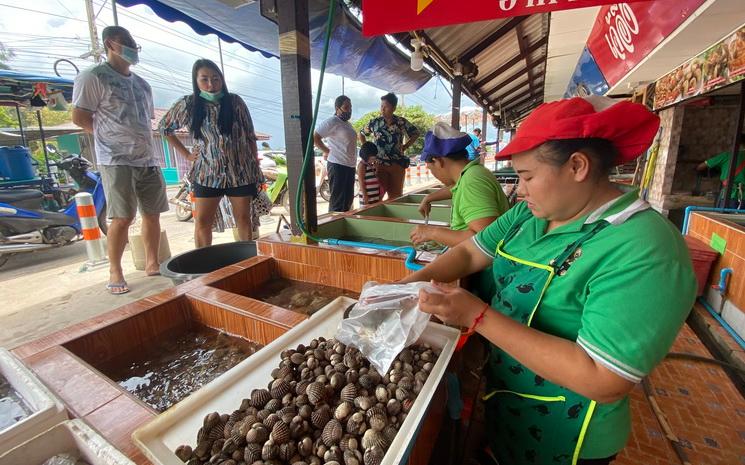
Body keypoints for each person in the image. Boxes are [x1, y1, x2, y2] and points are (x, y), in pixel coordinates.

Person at [401, 97, 696, 465]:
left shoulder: (645, 248)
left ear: (577, 166)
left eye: (526, 177)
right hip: (509, 397)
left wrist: (477, 316)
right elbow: (469, 253)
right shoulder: (530, 215)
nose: (518, 191)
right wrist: (404, 288)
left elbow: (603, 378)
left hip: (571, 432)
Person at [72, 25, 169, 295]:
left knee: (153, 213)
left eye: (134, 43)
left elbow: (146, 121)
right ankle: (115, 269)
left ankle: (152, 261)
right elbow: (80, 117)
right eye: (125, 42)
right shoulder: (93, 77)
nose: (132, 47)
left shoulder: (142, 85)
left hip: (147, 158)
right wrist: (110, 137)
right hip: (116, 159)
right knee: (122, 216)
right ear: (110, 44)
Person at [159, 58, 262, 247]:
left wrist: (255, 164)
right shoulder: (188, 104)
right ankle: (204, 265)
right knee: (202, 222)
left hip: (240, 173)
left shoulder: (235, 102)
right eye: (204, 79)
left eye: (215, 79)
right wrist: (187, 155)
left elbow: (249, 135)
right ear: (196, 81)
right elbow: (165, 128)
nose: (211, 84)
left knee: (244, 219)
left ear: (222, 80)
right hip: (207, 174)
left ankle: (248, 261)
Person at [410, 123, 509, 248]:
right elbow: (456, 188)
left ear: (438, 161)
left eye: (430, 168)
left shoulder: (472, 182)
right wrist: (429, 198)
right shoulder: (471, 174)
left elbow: (486, 240)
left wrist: (432, 232)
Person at [359, 93, 420, 200]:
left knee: (396, 197)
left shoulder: (401, 122)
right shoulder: (375, 122)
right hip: (379, 165)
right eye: (381, 106)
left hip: (397, 164)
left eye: (385, 106)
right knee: (378, 196)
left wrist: (406, 146)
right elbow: (361, 133)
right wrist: (367, 151)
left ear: (394, 108)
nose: (382, 109)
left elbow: (415, 133)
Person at [313, 95, 357, 212]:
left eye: (350, 107)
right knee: (338, 201)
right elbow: (315, 137)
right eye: (346, 107)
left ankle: (344, 225)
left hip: (350, 166)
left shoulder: (347, 124)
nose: (349, 110)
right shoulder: (332, 121)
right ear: (337, 108)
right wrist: (327, 151)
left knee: (347, 200)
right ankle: (334, 226)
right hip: (338, 165)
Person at [696, 134, 745, 208]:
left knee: (723, 218)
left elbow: (700, 167)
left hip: (729, 196)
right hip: (743, 198)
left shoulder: (727, 155)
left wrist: (718, 169)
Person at [357, 142, 381, 206]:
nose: (374, 159)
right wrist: (365, 195)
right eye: (372, 158)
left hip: (375, 195)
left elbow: (375, 177)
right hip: (367, 196)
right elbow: (361, 181)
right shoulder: (362, 165)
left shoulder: (371, 165)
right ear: (366, 156)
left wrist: (377, 169)